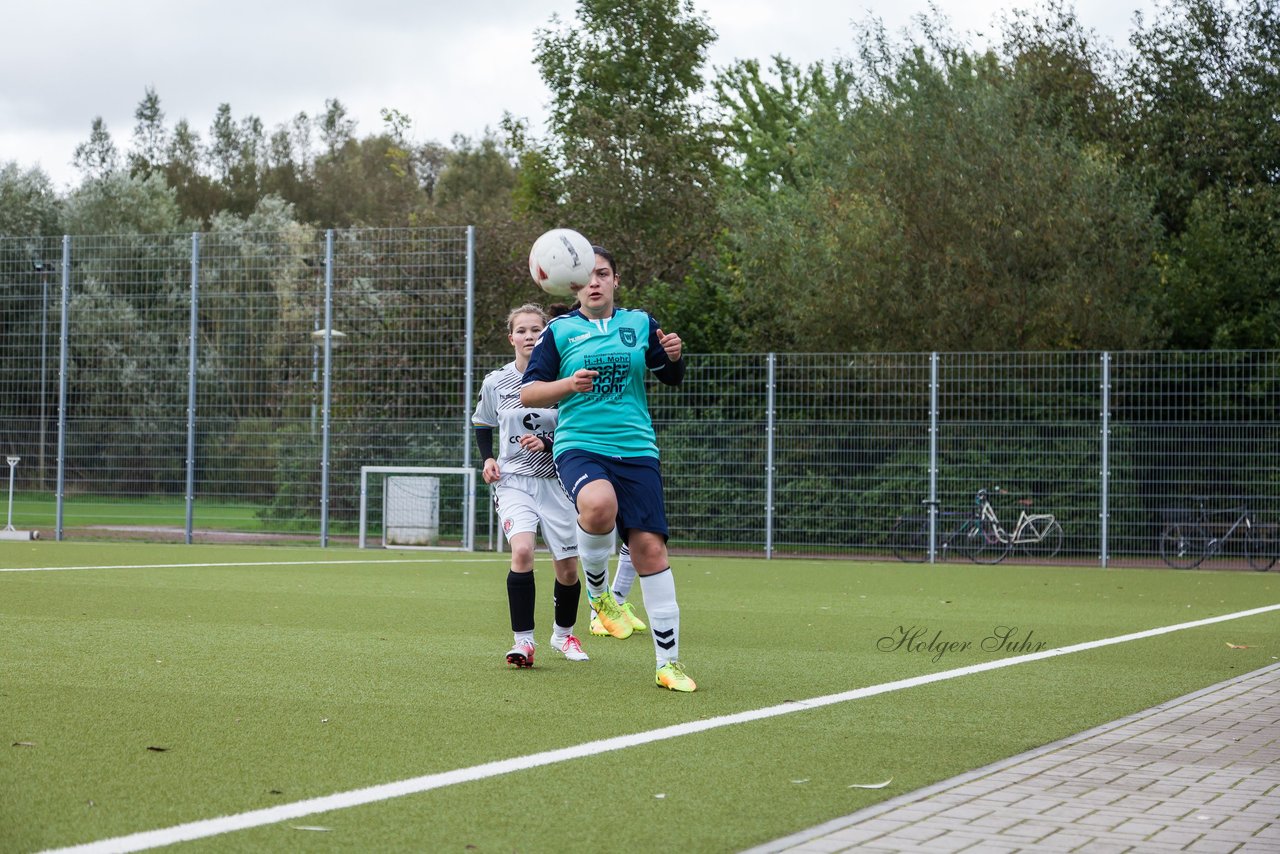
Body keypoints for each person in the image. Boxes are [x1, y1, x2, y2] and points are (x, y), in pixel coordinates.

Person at [521, 244, 695, 692]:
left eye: (604, 274)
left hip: (637, 449)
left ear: (616, 280)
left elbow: (669, 377)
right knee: (599, 505)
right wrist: (567, 384)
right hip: (581, 444)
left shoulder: (640, 324)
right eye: (588, 277)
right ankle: (600, 597)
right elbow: (529, 394)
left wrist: (674, 356)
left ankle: (668, 664)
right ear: (575, 286)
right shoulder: (559, 331)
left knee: (650, 551)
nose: (595, 282)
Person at [473, 303, 588, 668]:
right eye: (522, 330)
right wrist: (488, 459)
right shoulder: (496, 381)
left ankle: (563, 634)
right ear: (511, 338)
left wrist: (549, 443)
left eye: (536, 330)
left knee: (567, 569)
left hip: (557, 481)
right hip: (513, 482)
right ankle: (523, 643)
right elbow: (482, 423)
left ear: (546, 336)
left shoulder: (562, 379)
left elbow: (580, 427)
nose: (529, 336)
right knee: (522, 551)